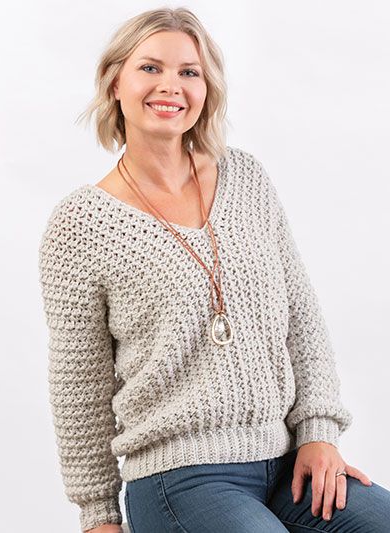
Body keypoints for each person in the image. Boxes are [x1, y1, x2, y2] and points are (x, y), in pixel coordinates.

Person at [38, 6, 390, 533]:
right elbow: (78, 384)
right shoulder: (81, 223)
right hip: (180, 478)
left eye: (189, 72)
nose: (170, 86)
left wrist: (319, 432)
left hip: (285, 460)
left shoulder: (245, 177)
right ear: (115, 82)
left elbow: (301, 315)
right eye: (150, 68)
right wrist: (98, 516)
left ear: (207, 88)